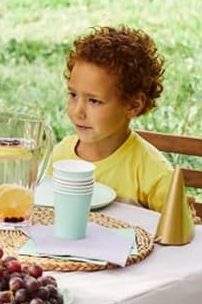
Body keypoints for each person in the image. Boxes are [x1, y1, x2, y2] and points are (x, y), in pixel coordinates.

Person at [49, 25, 174, 211]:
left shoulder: (155, 173)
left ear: (133, 105)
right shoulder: (61, 155)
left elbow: (178, 225)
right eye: (73, 95)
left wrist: (183, 217)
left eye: (94, 101)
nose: (77, 111)